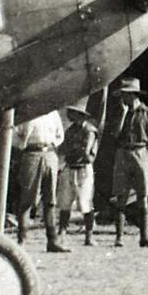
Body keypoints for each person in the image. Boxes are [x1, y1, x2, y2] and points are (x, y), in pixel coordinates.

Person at [112, 77, 148, 248]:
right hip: (123, 152)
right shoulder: (121, 113)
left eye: (125, 95)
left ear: (133, 95)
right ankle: (119, 237)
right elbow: (116, 134)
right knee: (121, 196)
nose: (123, 99)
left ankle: (144, 237)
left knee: (143, 196)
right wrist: (124, 114)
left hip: (141, 152)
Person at [13, 112, 67, 251]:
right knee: (27, 198)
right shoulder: (26, 113)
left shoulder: (53, 113)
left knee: (50, 200)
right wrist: (23, 145)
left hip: (49, 154)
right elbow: (13, 135)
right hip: (31, 154)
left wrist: (52, 144)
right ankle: (22, 240)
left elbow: (60, 134)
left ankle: (52, 241)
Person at [58, 101, 100, 246]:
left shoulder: (89, 131)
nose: (70, 115)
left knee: (85, 202)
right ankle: (62, 232)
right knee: (65, 201)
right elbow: (64, 149)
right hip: (71, 166)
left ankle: (89, 235)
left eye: (73, 112)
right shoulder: (70, 131)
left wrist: (77, 150)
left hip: (83, 168)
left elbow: (86, 152)